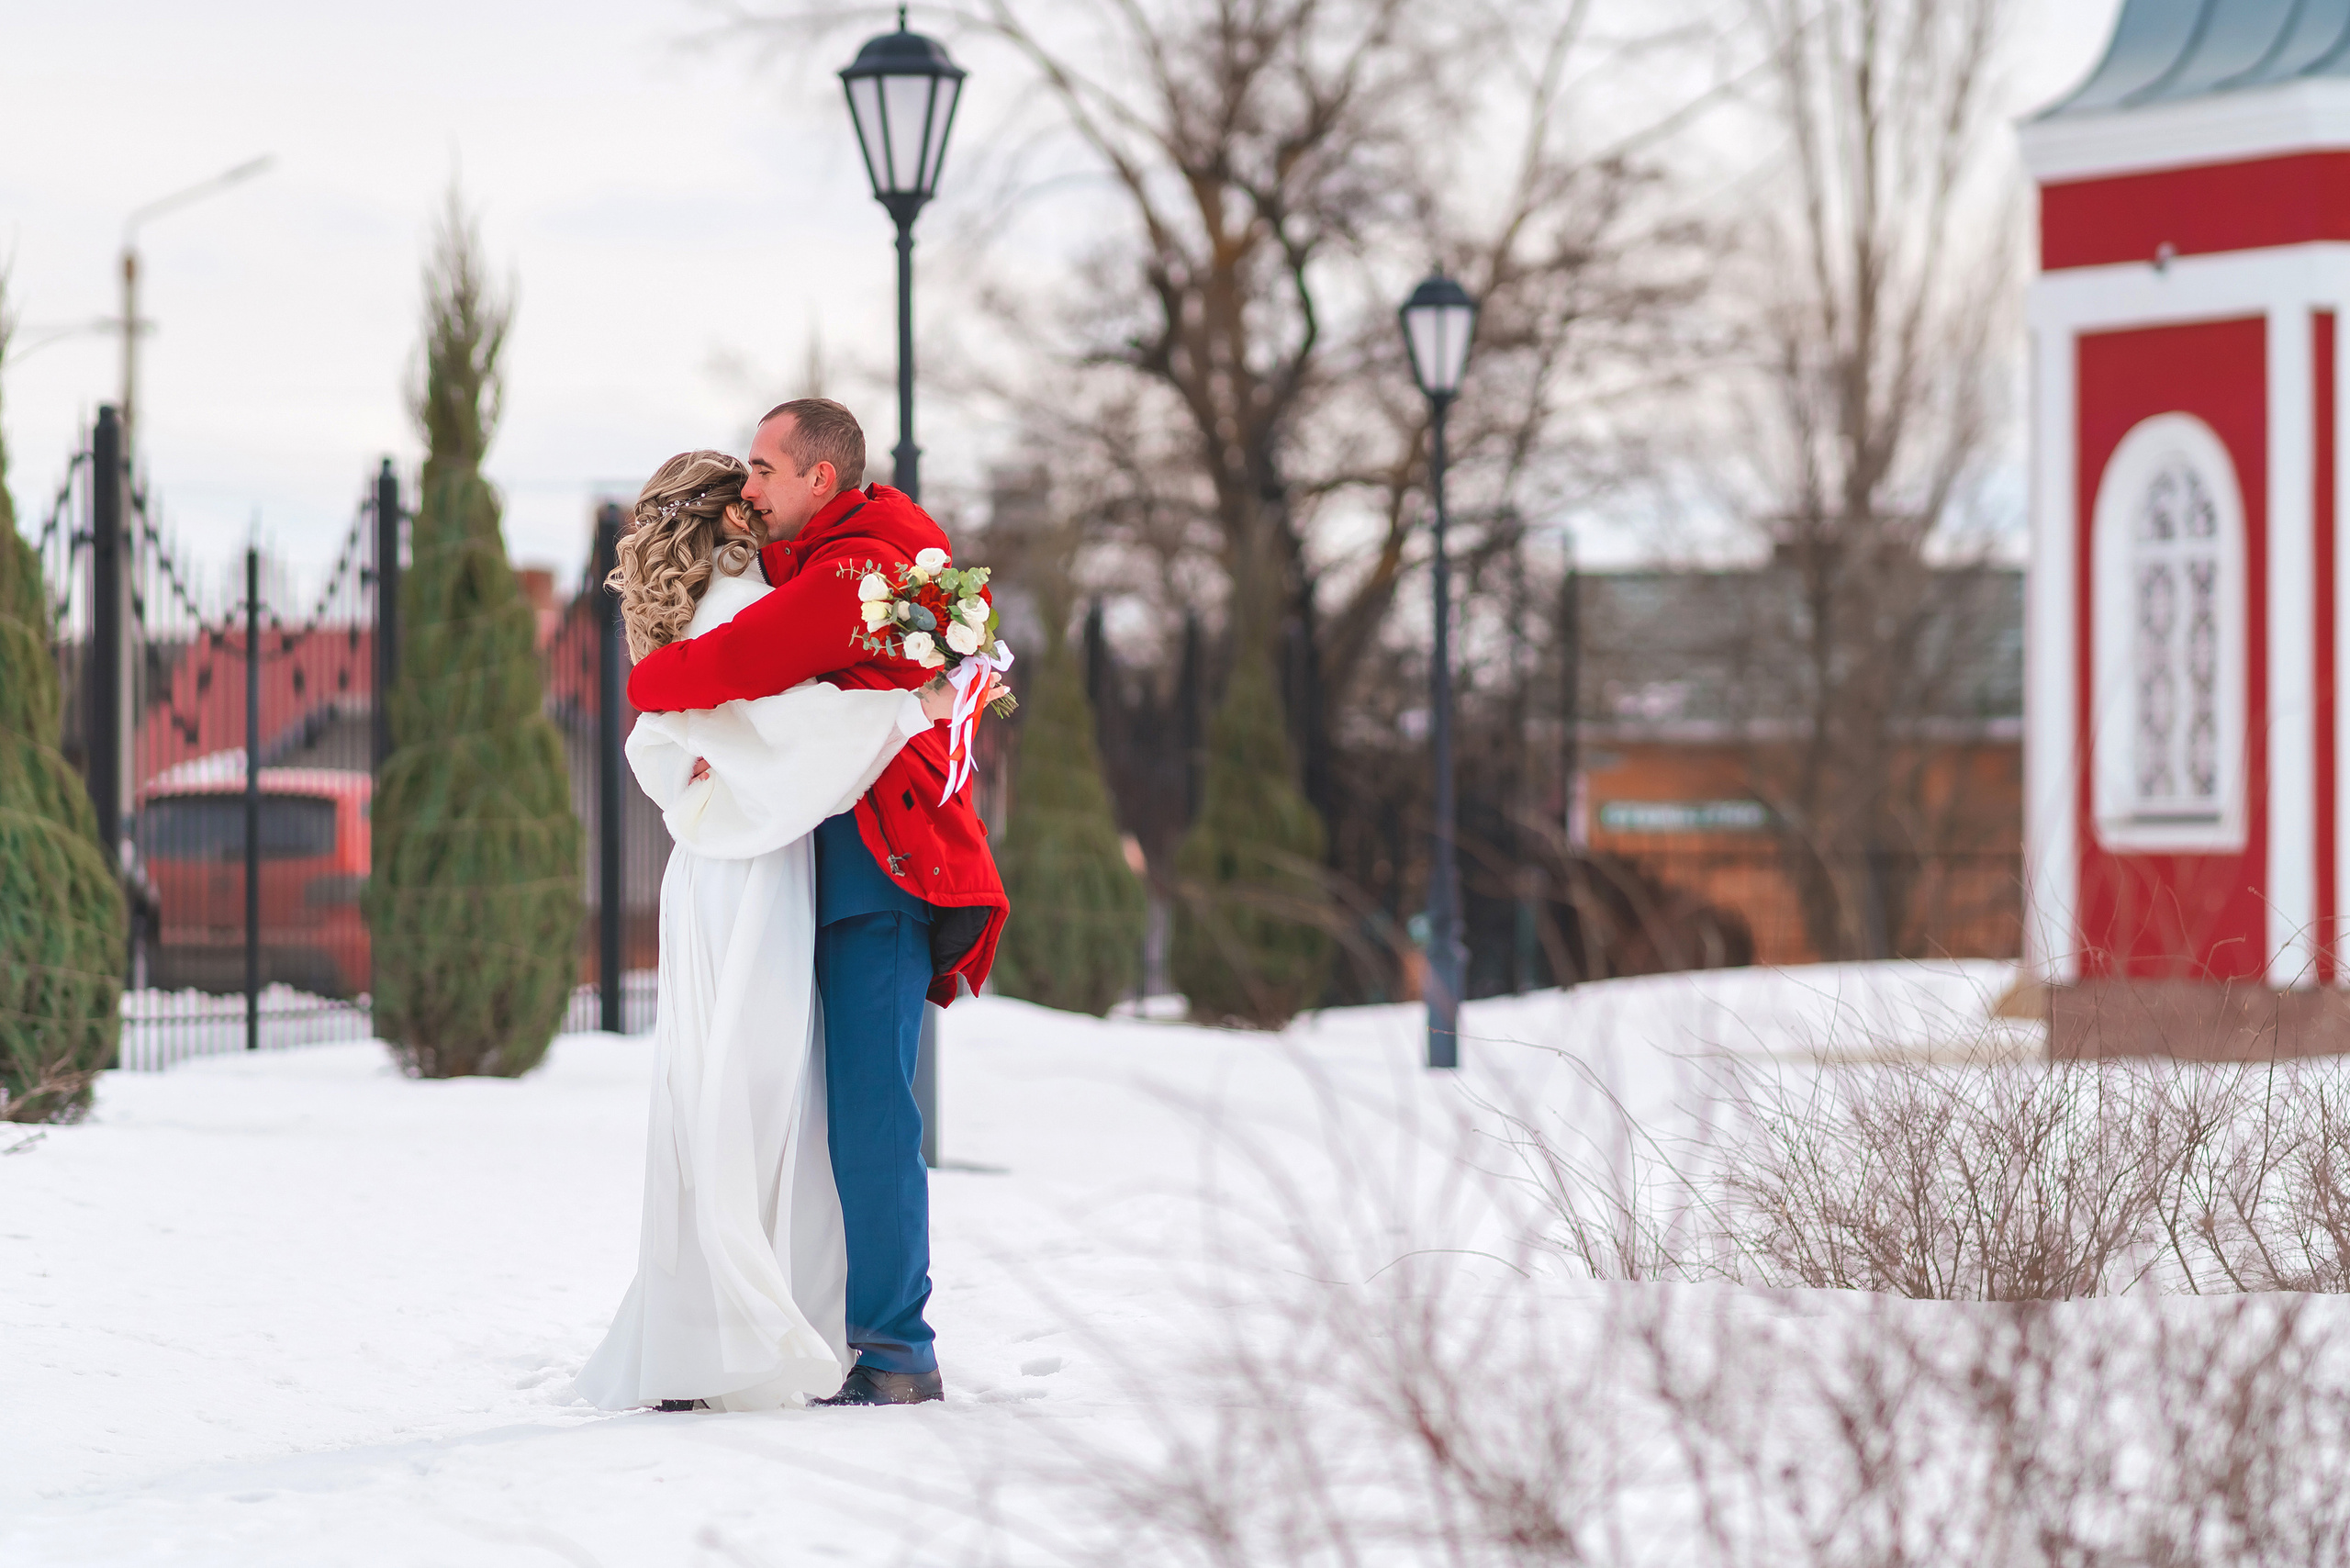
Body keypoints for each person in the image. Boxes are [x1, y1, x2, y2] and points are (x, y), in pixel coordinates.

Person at [574, 450, 978, 1413]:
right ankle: (771, 1332)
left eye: (766, 469)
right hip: (755, 870)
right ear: (728, 516)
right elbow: (782, 723)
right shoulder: (746, 594)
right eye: (746, 479)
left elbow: (686, 732)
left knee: (725, 1092)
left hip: (734, 863)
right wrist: (909, 708)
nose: (757, 492)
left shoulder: (737, 593)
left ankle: (715, 1329)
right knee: (753, 1096)